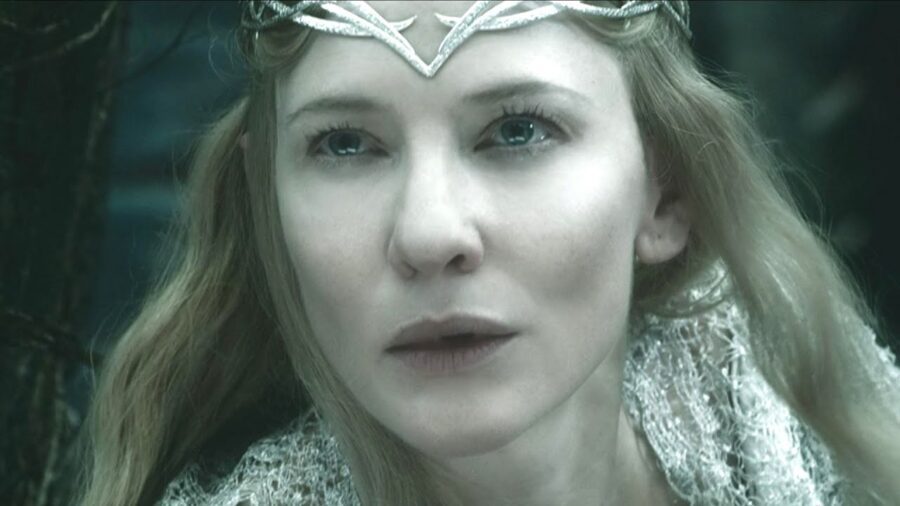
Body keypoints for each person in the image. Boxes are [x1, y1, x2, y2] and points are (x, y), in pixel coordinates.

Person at [77, 1, 900, 505]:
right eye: (345, 144)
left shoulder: (760, 381)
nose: (429, 234)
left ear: (665, 189)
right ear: (267, 200)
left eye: (517, 130)